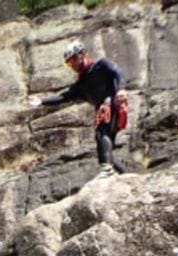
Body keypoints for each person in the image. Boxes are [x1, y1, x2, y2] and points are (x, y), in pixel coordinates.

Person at [27, 40, 128, 177]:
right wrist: (42, 101)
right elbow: (64, 96)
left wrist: (120, 90)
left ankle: (107, 170)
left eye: (74, 59)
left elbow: (117, 73)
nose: (73, 64)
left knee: (101, 133)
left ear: (83, 54)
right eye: (69, 63)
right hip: (102, 108)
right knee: (103, 148)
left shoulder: (101, 64)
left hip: (112, 102)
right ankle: (124, 174)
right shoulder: (81, 84)